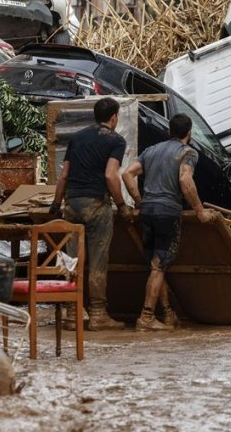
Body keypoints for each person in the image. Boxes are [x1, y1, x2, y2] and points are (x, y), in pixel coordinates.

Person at [121, 113, 215, 330]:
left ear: (169, 131)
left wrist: (139, 201)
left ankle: (168, 314)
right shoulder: (187, 152)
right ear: (189, 133)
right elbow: (185, 179)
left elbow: (127, 174)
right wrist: (199, 211)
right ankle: (146, 317)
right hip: (167, 211)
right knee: (159, 265)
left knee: (155, 265)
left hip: (148, 212)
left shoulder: (151, 151)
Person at [49, 97, 132, 331]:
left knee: (72, 260)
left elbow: (63, 175)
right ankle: (98, 315)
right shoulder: (116, 140)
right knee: (97, 260)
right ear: (114, 117)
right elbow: (110, 175)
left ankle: (72, 314)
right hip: (96, 205)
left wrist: (56, 204)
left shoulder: (76, 137)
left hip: (72, 204)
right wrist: (122, 204)